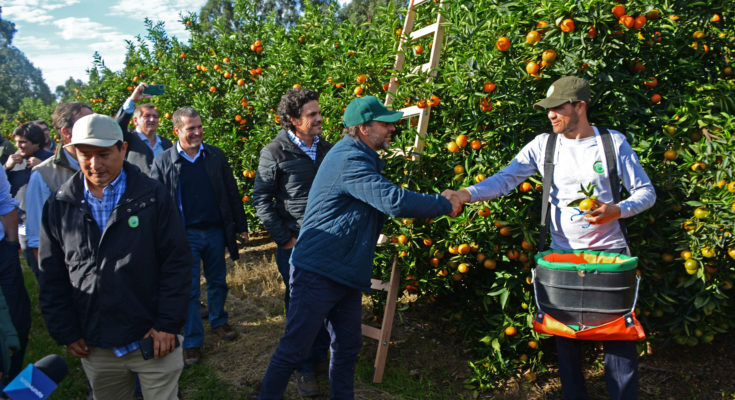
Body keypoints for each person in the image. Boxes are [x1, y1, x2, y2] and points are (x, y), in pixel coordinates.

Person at [445, 76, 656, 400]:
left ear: (580, 106)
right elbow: (505, 180)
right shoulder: (544, 145)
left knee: (618, 344)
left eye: (558, 108)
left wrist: (616, 210)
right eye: (548, 109)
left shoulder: (612, 143)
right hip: (561, 260)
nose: (551, 115)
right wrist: (465, 193)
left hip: (610, 257)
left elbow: (646, 192)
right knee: (567, 346)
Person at [257, 96, 461, 399]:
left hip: (344, 272)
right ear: (364, 129)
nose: (393, 129)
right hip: (318, 270)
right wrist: (443, 203)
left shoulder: (358, 155)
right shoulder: (348, 159)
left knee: (347, 346)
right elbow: (393, 201)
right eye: (385, 123)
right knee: (295, 347)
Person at [38, 113, 191, 399]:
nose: (95, 164)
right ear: (73, 153)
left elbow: (177, 262)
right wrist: (67, 331)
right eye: (85, 154)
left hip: (152, 337)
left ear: (122, 149)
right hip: (97, 343)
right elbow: (52, 274)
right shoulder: (60, 205)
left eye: (104, 154)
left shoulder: (152, 197)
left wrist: (167, 325)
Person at [151, 107, 249, 366]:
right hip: (184, 235)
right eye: (190, 128)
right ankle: (193, 341)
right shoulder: (163, 162)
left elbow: (231, 192)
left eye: (199, 126)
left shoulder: (215, 156)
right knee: (190, 290)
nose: (197, 132)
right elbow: (157, 204)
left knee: (218, 281)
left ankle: (218, 320)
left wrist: (241, 225)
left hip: (215, 231)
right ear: (176, 131)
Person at [253, 88, 332, 397]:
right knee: (301, 309)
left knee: (328, 302)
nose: (319, 118)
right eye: (311, 114)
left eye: (318, 112)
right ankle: (303, 367)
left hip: (327, 242)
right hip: (296, 245)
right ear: (292, 120)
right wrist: (285, 239)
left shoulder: (327, 149)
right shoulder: (275, 151)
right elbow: (262, 200)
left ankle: (322, 356)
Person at [24, 102, 92, 278]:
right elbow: (37, 239)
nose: (93, 127)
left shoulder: (108, 166)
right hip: (70, 273)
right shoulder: (44, 175)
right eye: (85, 123)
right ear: (66, 132)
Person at [4, 123, 54, 274]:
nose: (18, 146)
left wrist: (44, 167)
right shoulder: (14, 162)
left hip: (47, 223)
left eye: (22, 142)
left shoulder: (49, 160)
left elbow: (59, 185)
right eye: (17, 141)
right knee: (35, 268)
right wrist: (7, 168)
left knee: (52, 267)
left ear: (37, 142)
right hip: (23, 224)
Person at [0, 165, 31, 390]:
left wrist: (11, 247)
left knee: (18, 319)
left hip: (3, 253)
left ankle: (14, 388)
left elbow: (5, 203)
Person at [115, 83, 173, 174]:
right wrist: (132, 100)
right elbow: (117, 126)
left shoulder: (166, 143)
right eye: (147, 116)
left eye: (155, 116)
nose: (152, 119)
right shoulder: (129, 139)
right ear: (135, 121)